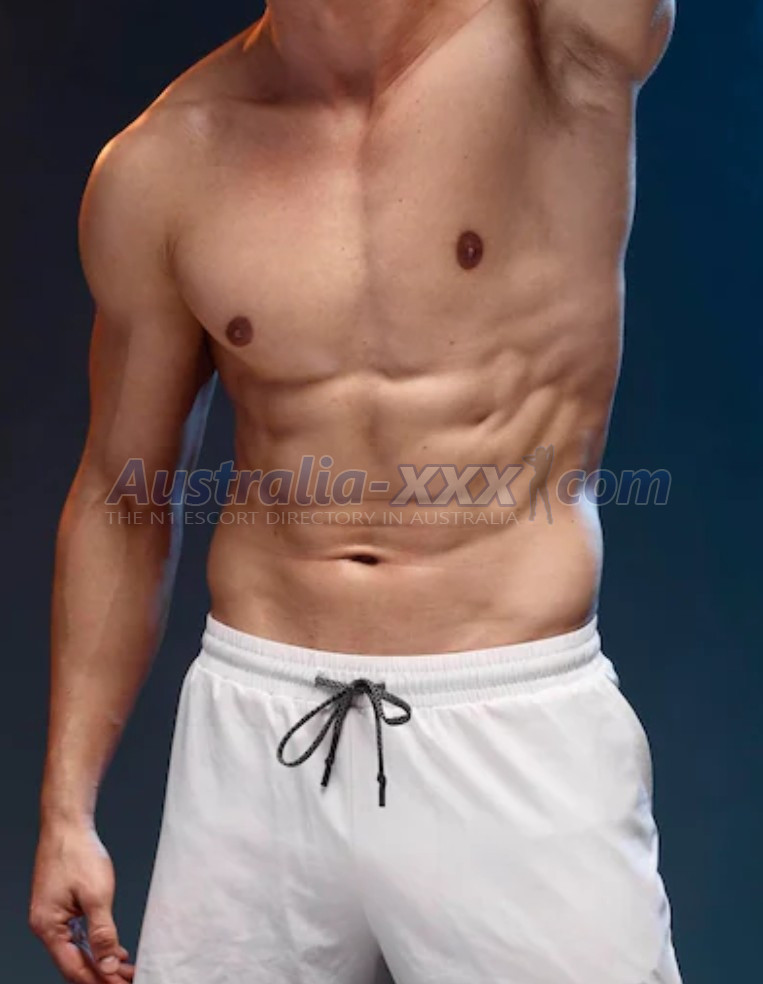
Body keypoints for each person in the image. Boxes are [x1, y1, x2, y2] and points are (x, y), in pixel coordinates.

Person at [29, 1, 681, 982]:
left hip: (509, 720)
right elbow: (123, 498)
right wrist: (66, 810)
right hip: (258, 741)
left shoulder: (559, 38)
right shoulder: (161, 162)